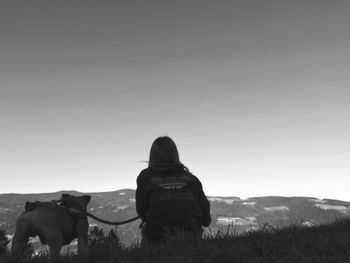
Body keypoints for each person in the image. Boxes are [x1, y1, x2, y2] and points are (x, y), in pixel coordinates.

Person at [136, 136, 211, 245]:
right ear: (175, 154)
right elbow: (206, 220)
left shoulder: (145, 177)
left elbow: (142, 211)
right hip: (192, 240)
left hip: (157, 240)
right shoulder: (192, 179)